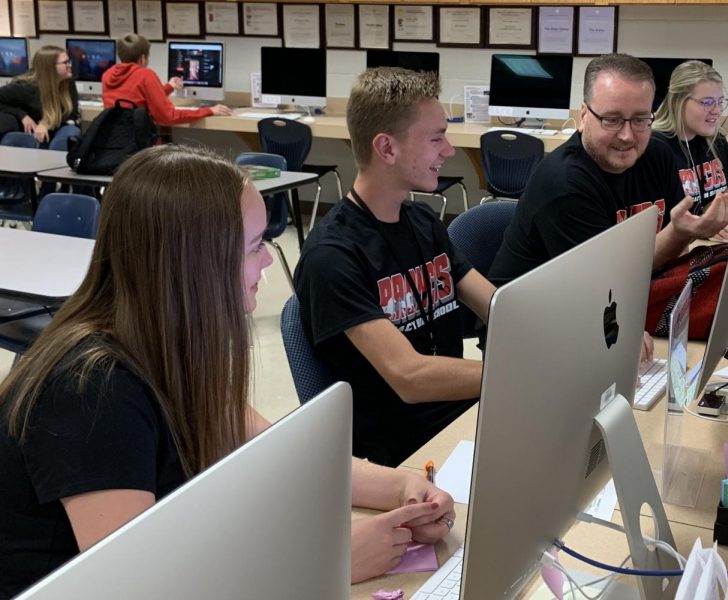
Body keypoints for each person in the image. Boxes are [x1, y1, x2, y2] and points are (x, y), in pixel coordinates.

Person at [0, 145, 455, 598]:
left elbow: (279, 453)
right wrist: (321, 558)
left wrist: (401, 486)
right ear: (194, 264)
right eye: (255, 246)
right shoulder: (92, 390)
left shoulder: (169, 343)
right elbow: (133, 588)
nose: (267, 263)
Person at [294, 67, 496, 468]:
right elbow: (410, 377)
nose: (450, 150)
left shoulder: (423, 223)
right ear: (387, 148)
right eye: (436, 137)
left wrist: (568, 341)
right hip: (405, 455)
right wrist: (514, 374)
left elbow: (498, 306)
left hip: (464, 418)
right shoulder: (332, 256)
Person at [489, 53, 728, 289]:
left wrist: (683, 233)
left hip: (618, 295)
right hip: (538, 316)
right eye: (612, 119)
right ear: (583, 116)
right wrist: (680, 233)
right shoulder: (564, 183)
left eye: (639, 119)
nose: (627, 136)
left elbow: (669, 258)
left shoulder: (658, 154)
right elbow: (605, 281)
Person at [652, 60, 728, 242]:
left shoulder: (713, 139)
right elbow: (662, 222)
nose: (716, 111)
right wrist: (703, 225)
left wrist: (712, 210)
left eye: (720, 102)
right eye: (707, 102)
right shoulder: (656, 148)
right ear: (678, 101)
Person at [101, 33, 231, 125]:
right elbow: (169, 117)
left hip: (116, 143)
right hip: (140, 145)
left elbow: (137, 98)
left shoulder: (108, 75)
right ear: (142, 58)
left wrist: (168, 87)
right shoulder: (145, 75)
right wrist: (209, 111)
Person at [0, 45, 80, 144]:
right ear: (50, 67)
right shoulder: (26, 87)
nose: (70, 65)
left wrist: (47, 124)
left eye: (69, 61)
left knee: (70, 132)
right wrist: (22, 115)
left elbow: (72, 115)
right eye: (65, 63)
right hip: (31, 136)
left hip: (55, 132)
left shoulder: (68, 83)